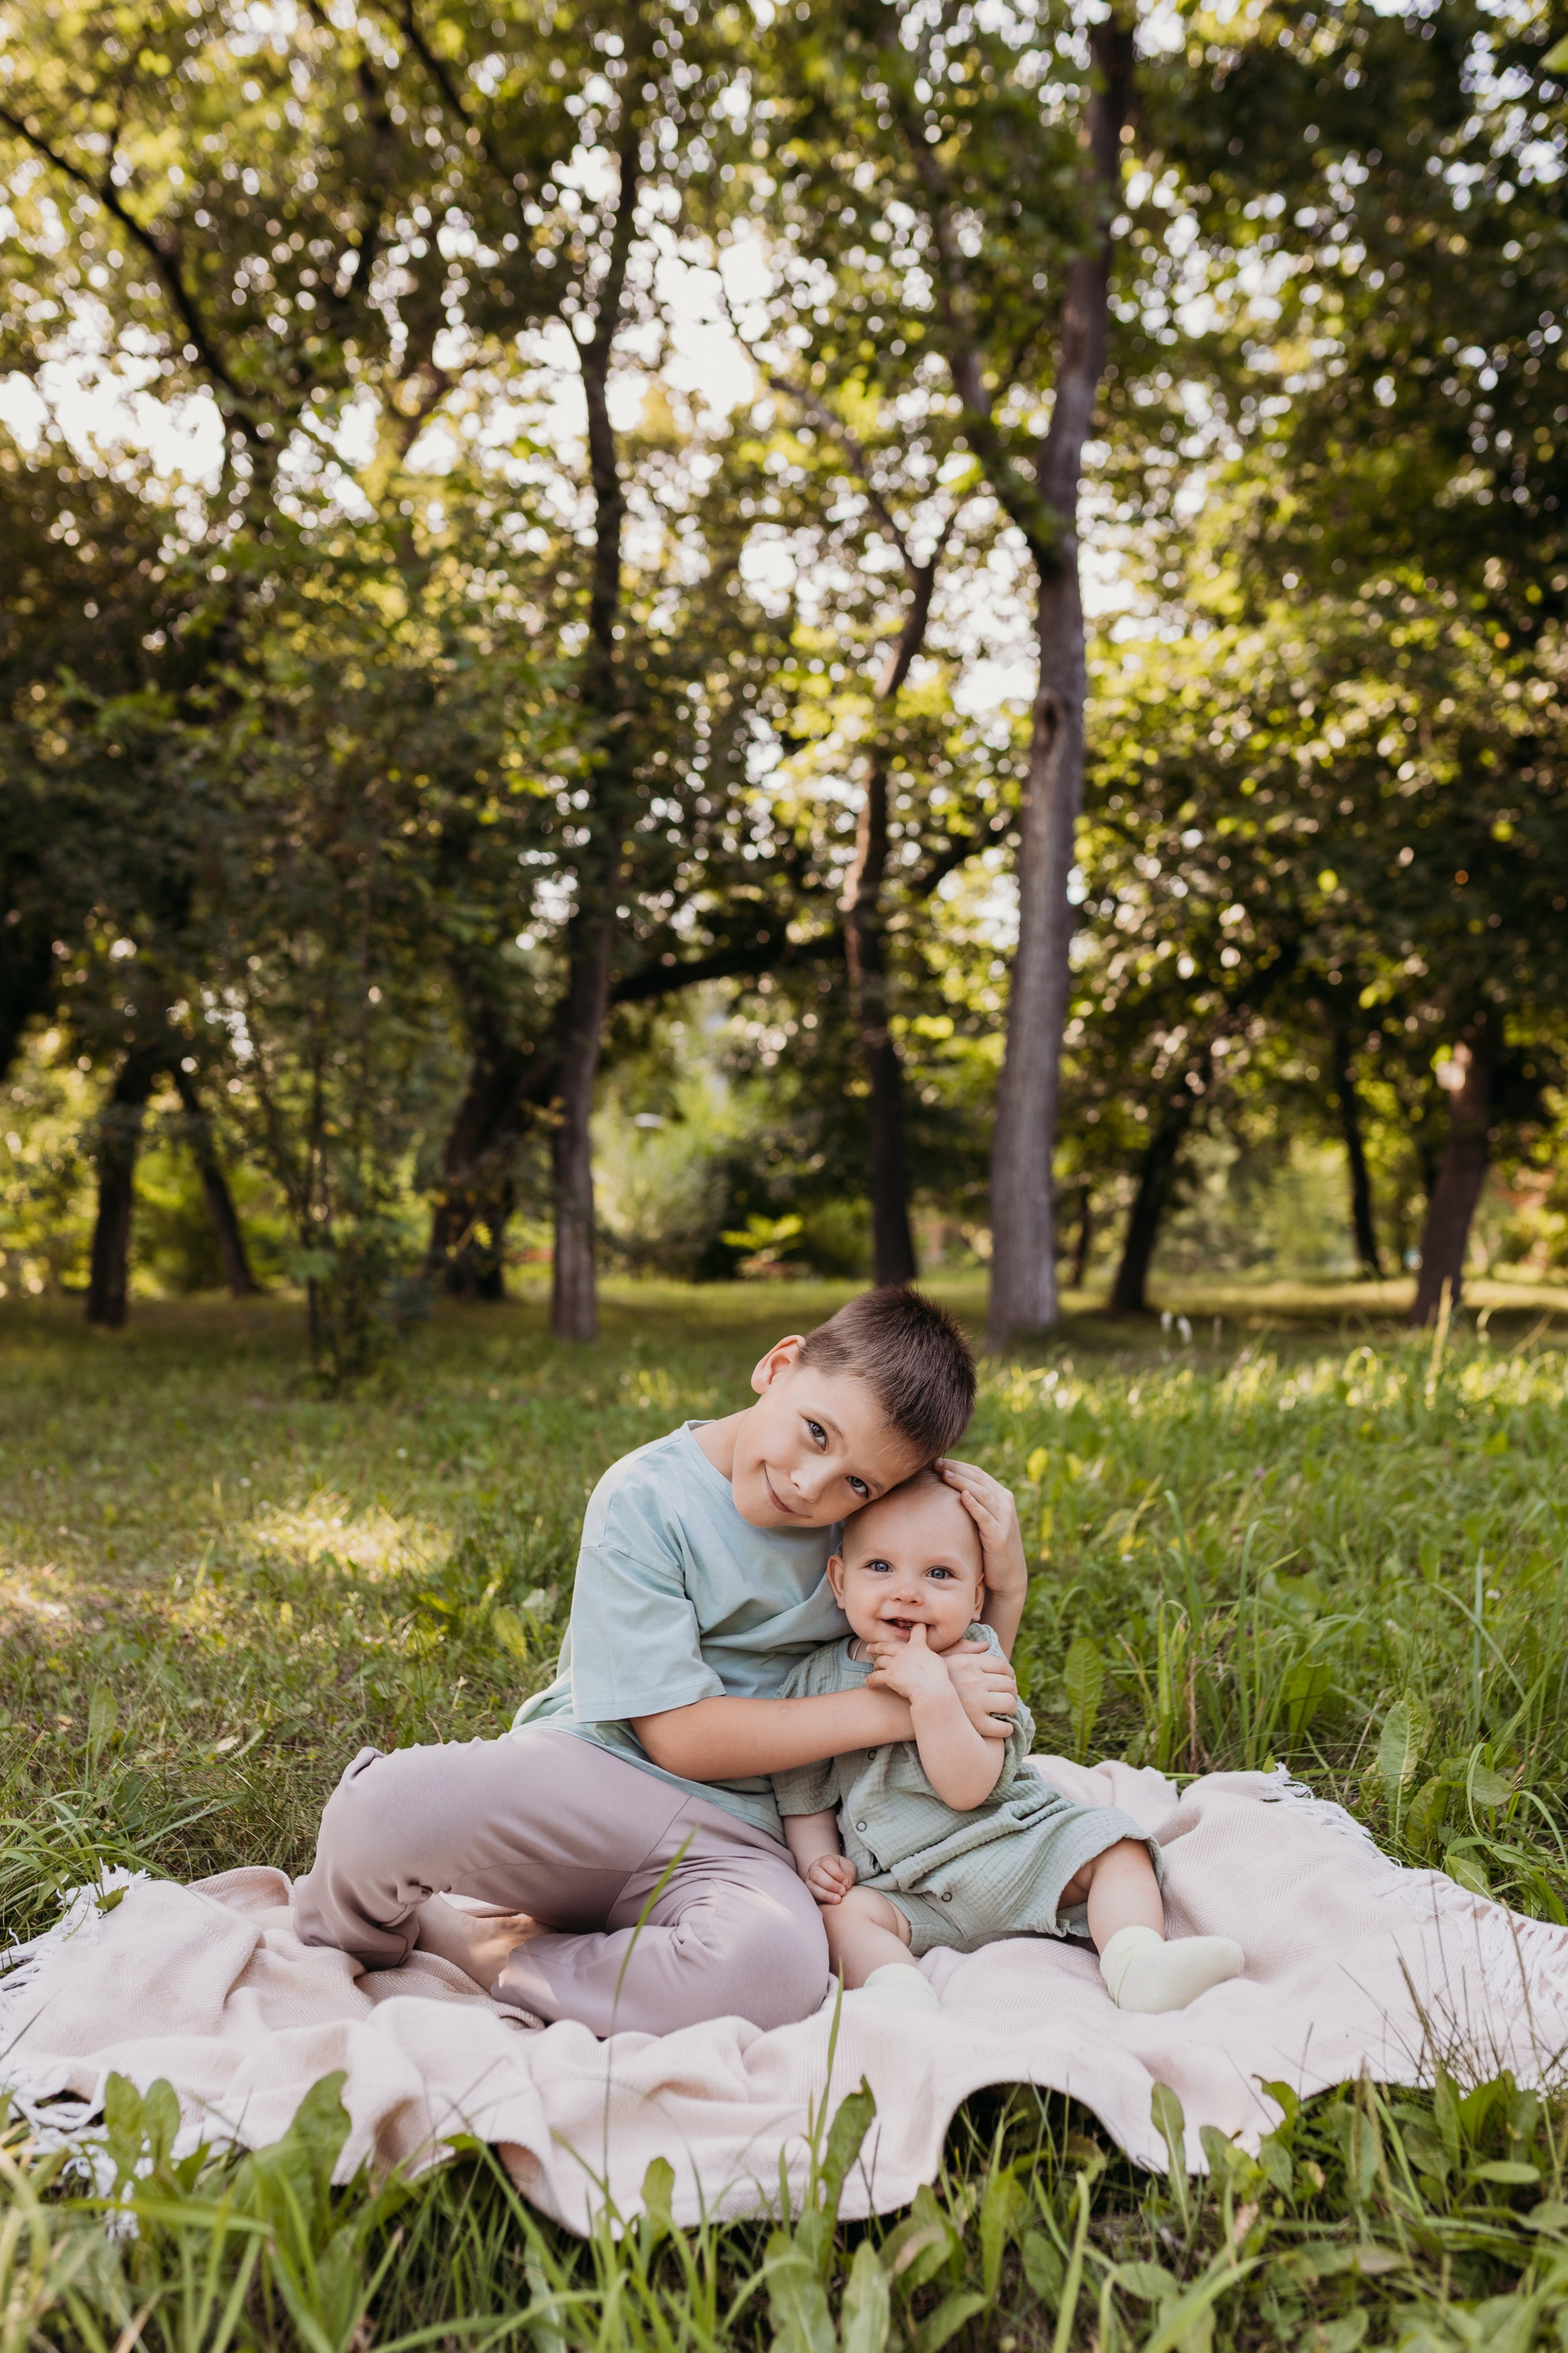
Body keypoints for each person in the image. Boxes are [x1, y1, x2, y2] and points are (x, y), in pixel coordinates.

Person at [293, 1286, 1028, 2037]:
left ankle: (497, 1956)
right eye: (815, 1432)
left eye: (859, 1481)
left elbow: (962, 1662)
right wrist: (899, 1708)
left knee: (777, 1968)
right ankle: (359, 1947)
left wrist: (1006, 1585)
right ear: (778, 1365)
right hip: (589, 1780)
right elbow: (676, 1737)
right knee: (382, 1811)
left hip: (745, 1834)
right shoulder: (644, 1499)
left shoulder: (867, 1537)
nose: (813, 1485)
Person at [773, 1470, 1245, 2015]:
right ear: (839, 1580)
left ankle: (1137, 1962)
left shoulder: (980, 1659)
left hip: (1015, 1851)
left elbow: (969, 1786)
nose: (907, 1589)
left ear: (977, 1599)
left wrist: (933, 1696)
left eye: (939, 1573)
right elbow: (802, 1792)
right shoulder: (813, 1681)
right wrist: (820, 1862)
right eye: (880, 1566)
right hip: (908, 1890)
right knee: (843, 1915)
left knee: (1117, 1845)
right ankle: (897, 1996)